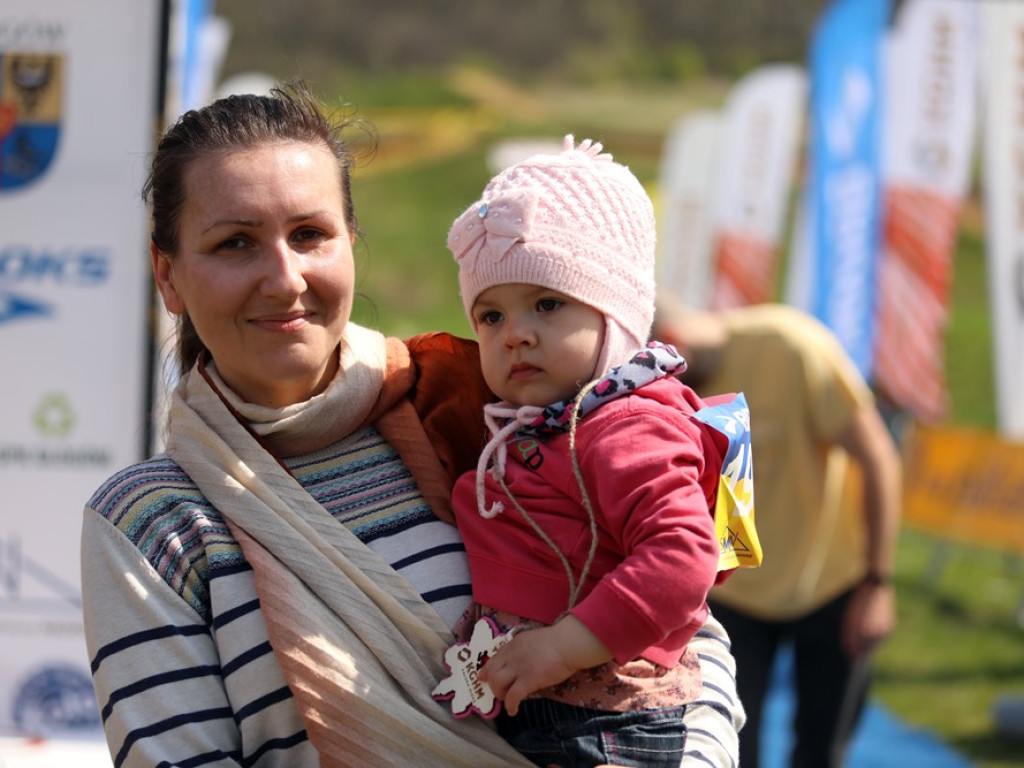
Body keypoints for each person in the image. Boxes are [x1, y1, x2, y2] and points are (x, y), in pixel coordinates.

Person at [79, 84, 746, 767]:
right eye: (235, 243)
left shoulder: (475, 412)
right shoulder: (151, 522)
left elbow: (685, 632)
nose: (284, 278)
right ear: (167, 275)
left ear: (350, 244)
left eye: (309, 234)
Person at [438, 136, 752, 767]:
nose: (515, 335)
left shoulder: (625, 423)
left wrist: (562, 647)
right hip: (556, 712)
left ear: (616, 316)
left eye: (548, 304)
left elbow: (681, 554)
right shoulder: (550, 422)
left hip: (604, 726)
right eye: (490, 316)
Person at [654, 296, 902, 768]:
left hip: (832, 584)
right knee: (726, 751)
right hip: (728, 595)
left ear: (675, 347)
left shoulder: (790, 346)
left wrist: (878, 582)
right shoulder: (657, 392)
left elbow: (878, 457)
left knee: (822, 753)